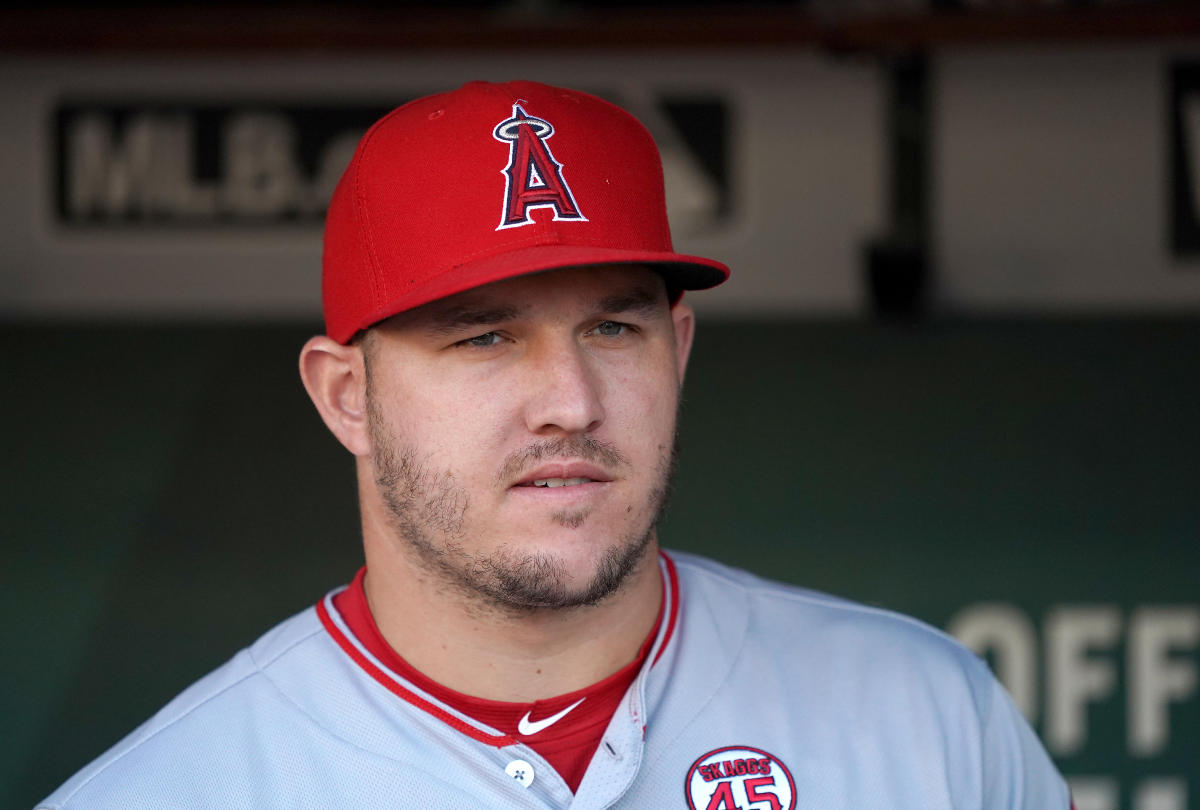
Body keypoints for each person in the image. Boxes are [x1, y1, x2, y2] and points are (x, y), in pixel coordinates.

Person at [39, 80, 1071, 810]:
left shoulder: (929, 718)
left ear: (677, 349)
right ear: (347, 397)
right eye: (485, 337)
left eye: (612, 329)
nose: (569, 402)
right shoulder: (173, 791)